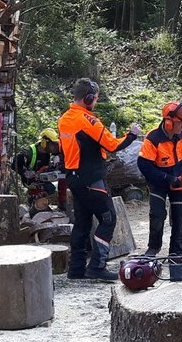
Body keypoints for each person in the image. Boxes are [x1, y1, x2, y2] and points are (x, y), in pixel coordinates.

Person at [56, 78, 142, 281]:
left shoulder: (65, 118)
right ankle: (97, 265)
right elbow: (112, 145)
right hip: (91, 177)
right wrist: (131, 135)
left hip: (74, 177)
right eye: (94, 99)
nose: (95, 102)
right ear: (87, 98)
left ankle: (76, 269)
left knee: (83, 223)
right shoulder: (87, 120)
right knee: (108, 218)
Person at [137, 100, 182, 259]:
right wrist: (167, 179)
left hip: (179, 176)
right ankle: (153, 248)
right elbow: (144, 165)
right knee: (158, 214)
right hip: (158, 179)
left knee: (180, 216)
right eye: (179, 123)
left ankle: (176, 252)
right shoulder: (153, 138)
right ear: (168, 123)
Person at [13, 128, 65, 210]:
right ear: (44, 142)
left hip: (41, 178)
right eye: (53, 144)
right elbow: (14, 165)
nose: (55, 147)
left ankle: (41, 207)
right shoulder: (29, 152)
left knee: (51, 188)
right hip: (30, 180)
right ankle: (35, 206)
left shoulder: (49, 154)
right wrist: (25, 173)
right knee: (44, 189)